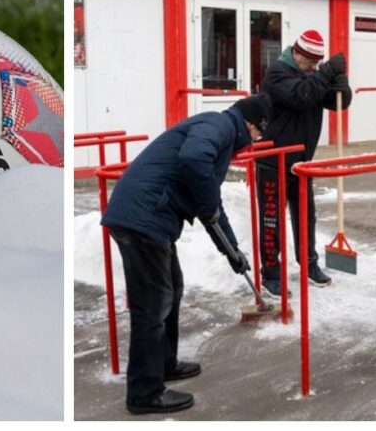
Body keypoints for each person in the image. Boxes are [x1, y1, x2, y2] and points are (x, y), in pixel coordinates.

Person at [101, 94, 272, 415]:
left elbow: (211, 206)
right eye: (258, 135)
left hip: (151, 218)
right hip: (143, 217)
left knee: (172, 289)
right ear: (250, 125)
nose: (254, 142)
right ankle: (144, 392)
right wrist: (207, 206)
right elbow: (194, 162)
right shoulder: (219, 125)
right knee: (152, 305)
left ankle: (164, 365)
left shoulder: (218, 130)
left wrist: (231, 251)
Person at [256, 29, 351, 297]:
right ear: (296, 52)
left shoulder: (312, 77)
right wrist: (326, 73)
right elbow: (301, 96)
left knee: (306, 217)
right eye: (309, 61)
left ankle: (309, 263)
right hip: (273, 162)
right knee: (271, 219)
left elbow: (336, 101)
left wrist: (341, 84)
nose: (313, 67)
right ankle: (271, 273)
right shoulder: (278, 72)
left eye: (316, 63)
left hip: (301, 163)